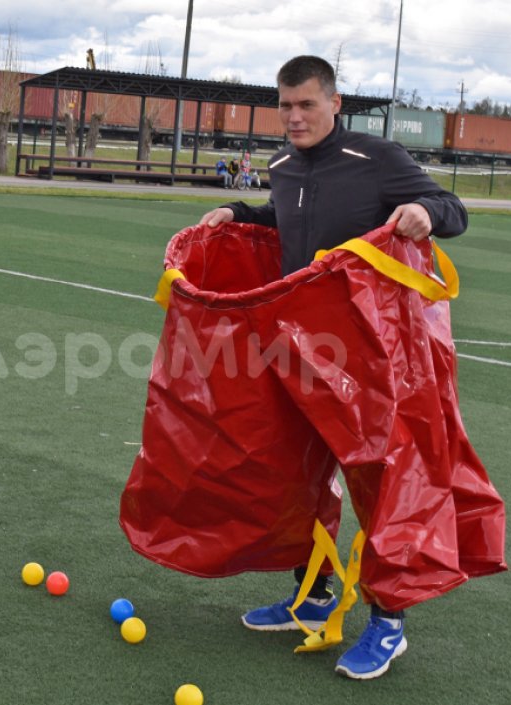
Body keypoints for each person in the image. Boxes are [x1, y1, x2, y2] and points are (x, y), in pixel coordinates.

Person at [199, 56, 468, 679]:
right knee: (303, 476)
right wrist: (241, 214)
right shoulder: (281, 165)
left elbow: (450, 207)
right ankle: (313, 597)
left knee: (381, 484)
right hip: (298, 350)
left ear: (334, 102)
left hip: (372, 356)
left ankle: (390, 622)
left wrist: (427, 215)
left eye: (307, 105)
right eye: (285, 106)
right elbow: (290, 222)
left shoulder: (377, 159)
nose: (294, 117)